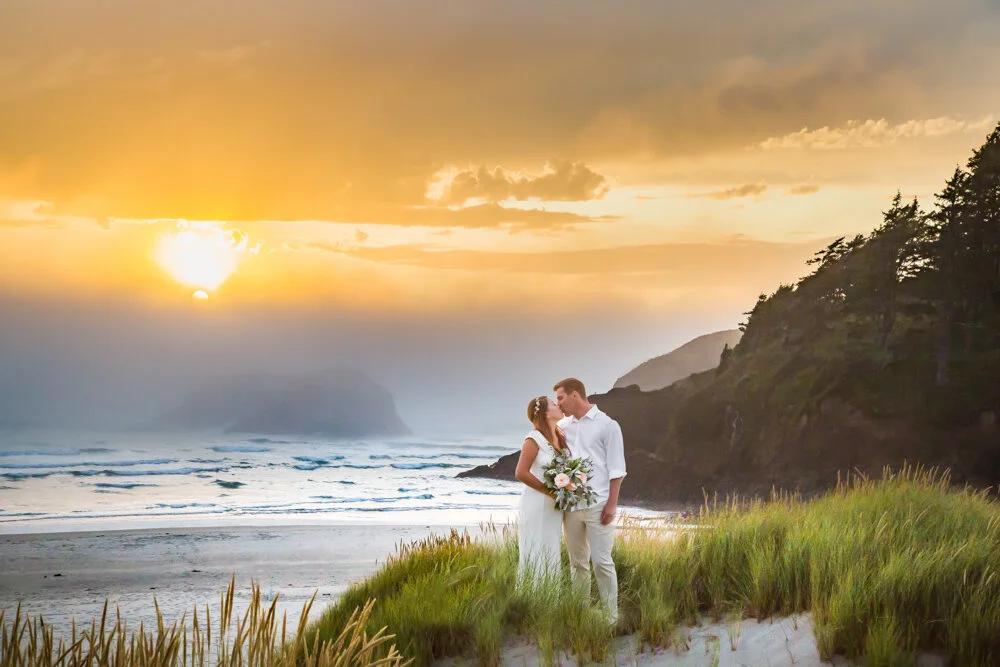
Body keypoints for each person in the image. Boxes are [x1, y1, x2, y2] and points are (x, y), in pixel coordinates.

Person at [554, 377, 626, 624]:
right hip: (571, 507)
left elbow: (617, 469)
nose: (558, 404)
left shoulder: (608, 426)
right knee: (577, 564)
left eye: (561, 398)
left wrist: (612, 504)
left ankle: (611, 618)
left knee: (602, 562)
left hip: (598, 505)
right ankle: (580, 614)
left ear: (575, 395)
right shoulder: (562, 426)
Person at [513, 395, 568, 585]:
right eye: (554, 403)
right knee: (536, 549)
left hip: (554, 505)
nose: (558, 404)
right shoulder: (533, 439)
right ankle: (532, 597)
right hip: (537, 503)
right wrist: (549, 491)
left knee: (550, 548)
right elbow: (520, 472)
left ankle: (550, 599)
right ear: (545, 413)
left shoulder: (560, 437)